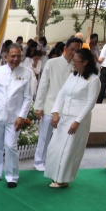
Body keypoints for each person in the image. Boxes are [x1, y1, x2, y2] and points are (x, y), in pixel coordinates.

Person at [44, 49, 100, 188]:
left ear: (85, 62)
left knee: (68, 150)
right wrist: (56, 112)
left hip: (78, 119)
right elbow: (62, 94)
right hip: (65, 117)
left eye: (76, 61)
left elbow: (90, 103)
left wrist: (77, 121)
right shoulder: (73, 76)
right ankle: (55, 175)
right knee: (55, 147)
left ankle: (63, 179)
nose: (73, 63)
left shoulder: (94, 80)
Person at [0, 43, 32, 188]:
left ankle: (12, 176)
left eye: (19, 56)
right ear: (6, 57)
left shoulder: (27, 72)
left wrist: (22, 116)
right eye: (13, 56)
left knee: (11, 146)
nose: (16, 59)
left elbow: (28, 97)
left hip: (14, 117)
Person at [34, 37, 82, 171]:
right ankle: (39, 161)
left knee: (62, 138)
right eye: (72, 49)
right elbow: (43, 85)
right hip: (50, 106)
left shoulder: (78, 66)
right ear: (65, 49)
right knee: (45, 136)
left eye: (78, 50)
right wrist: (39, 106)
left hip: (68, 109)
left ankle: (55, 161)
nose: (74, 53)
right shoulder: (52, 63)